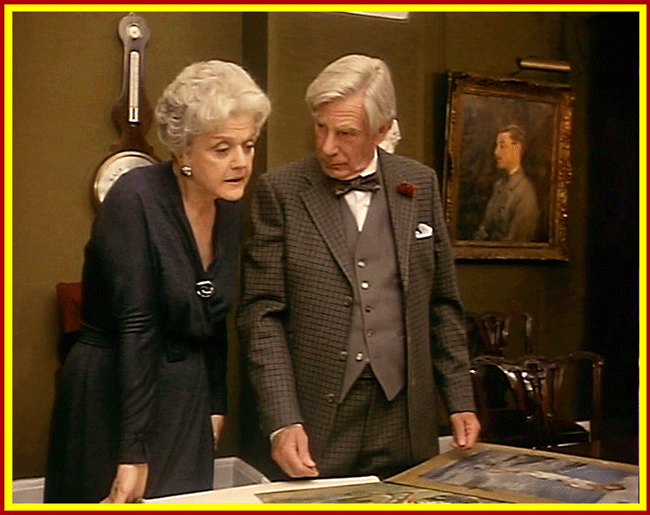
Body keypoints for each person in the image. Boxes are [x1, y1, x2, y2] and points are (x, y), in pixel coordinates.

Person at [237, 54, 480, 481]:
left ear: (382, 131)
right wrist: (282, 419)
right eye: (321, 128)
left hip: (406, 420)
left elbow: (442, 303)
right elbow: (262, 315)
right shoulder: (281, 191)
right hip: (316, 423)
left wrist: (459, 397)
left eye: (346, 133)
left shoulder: (418, 184)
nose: (327, 146)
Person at [44, 60, 270, 503]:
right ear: (183, 152)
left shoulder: (229, 203)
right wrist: (133, 452)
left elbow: (214, 312)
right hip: (115, 390)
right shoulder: (134, 199)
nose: (241, 162)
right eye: (222, 149)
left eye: (248, 145)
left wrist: (215, 401)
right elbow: (138, 327)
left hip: (184, 393)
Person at [474, 124, 540, 242]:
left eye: (502, 146)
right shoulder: (499, 185)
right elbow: (484, 229)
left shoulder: (525, 194)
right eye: (497, 146)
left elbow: (515, 244)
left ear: (516, 148)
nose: (496, 152)